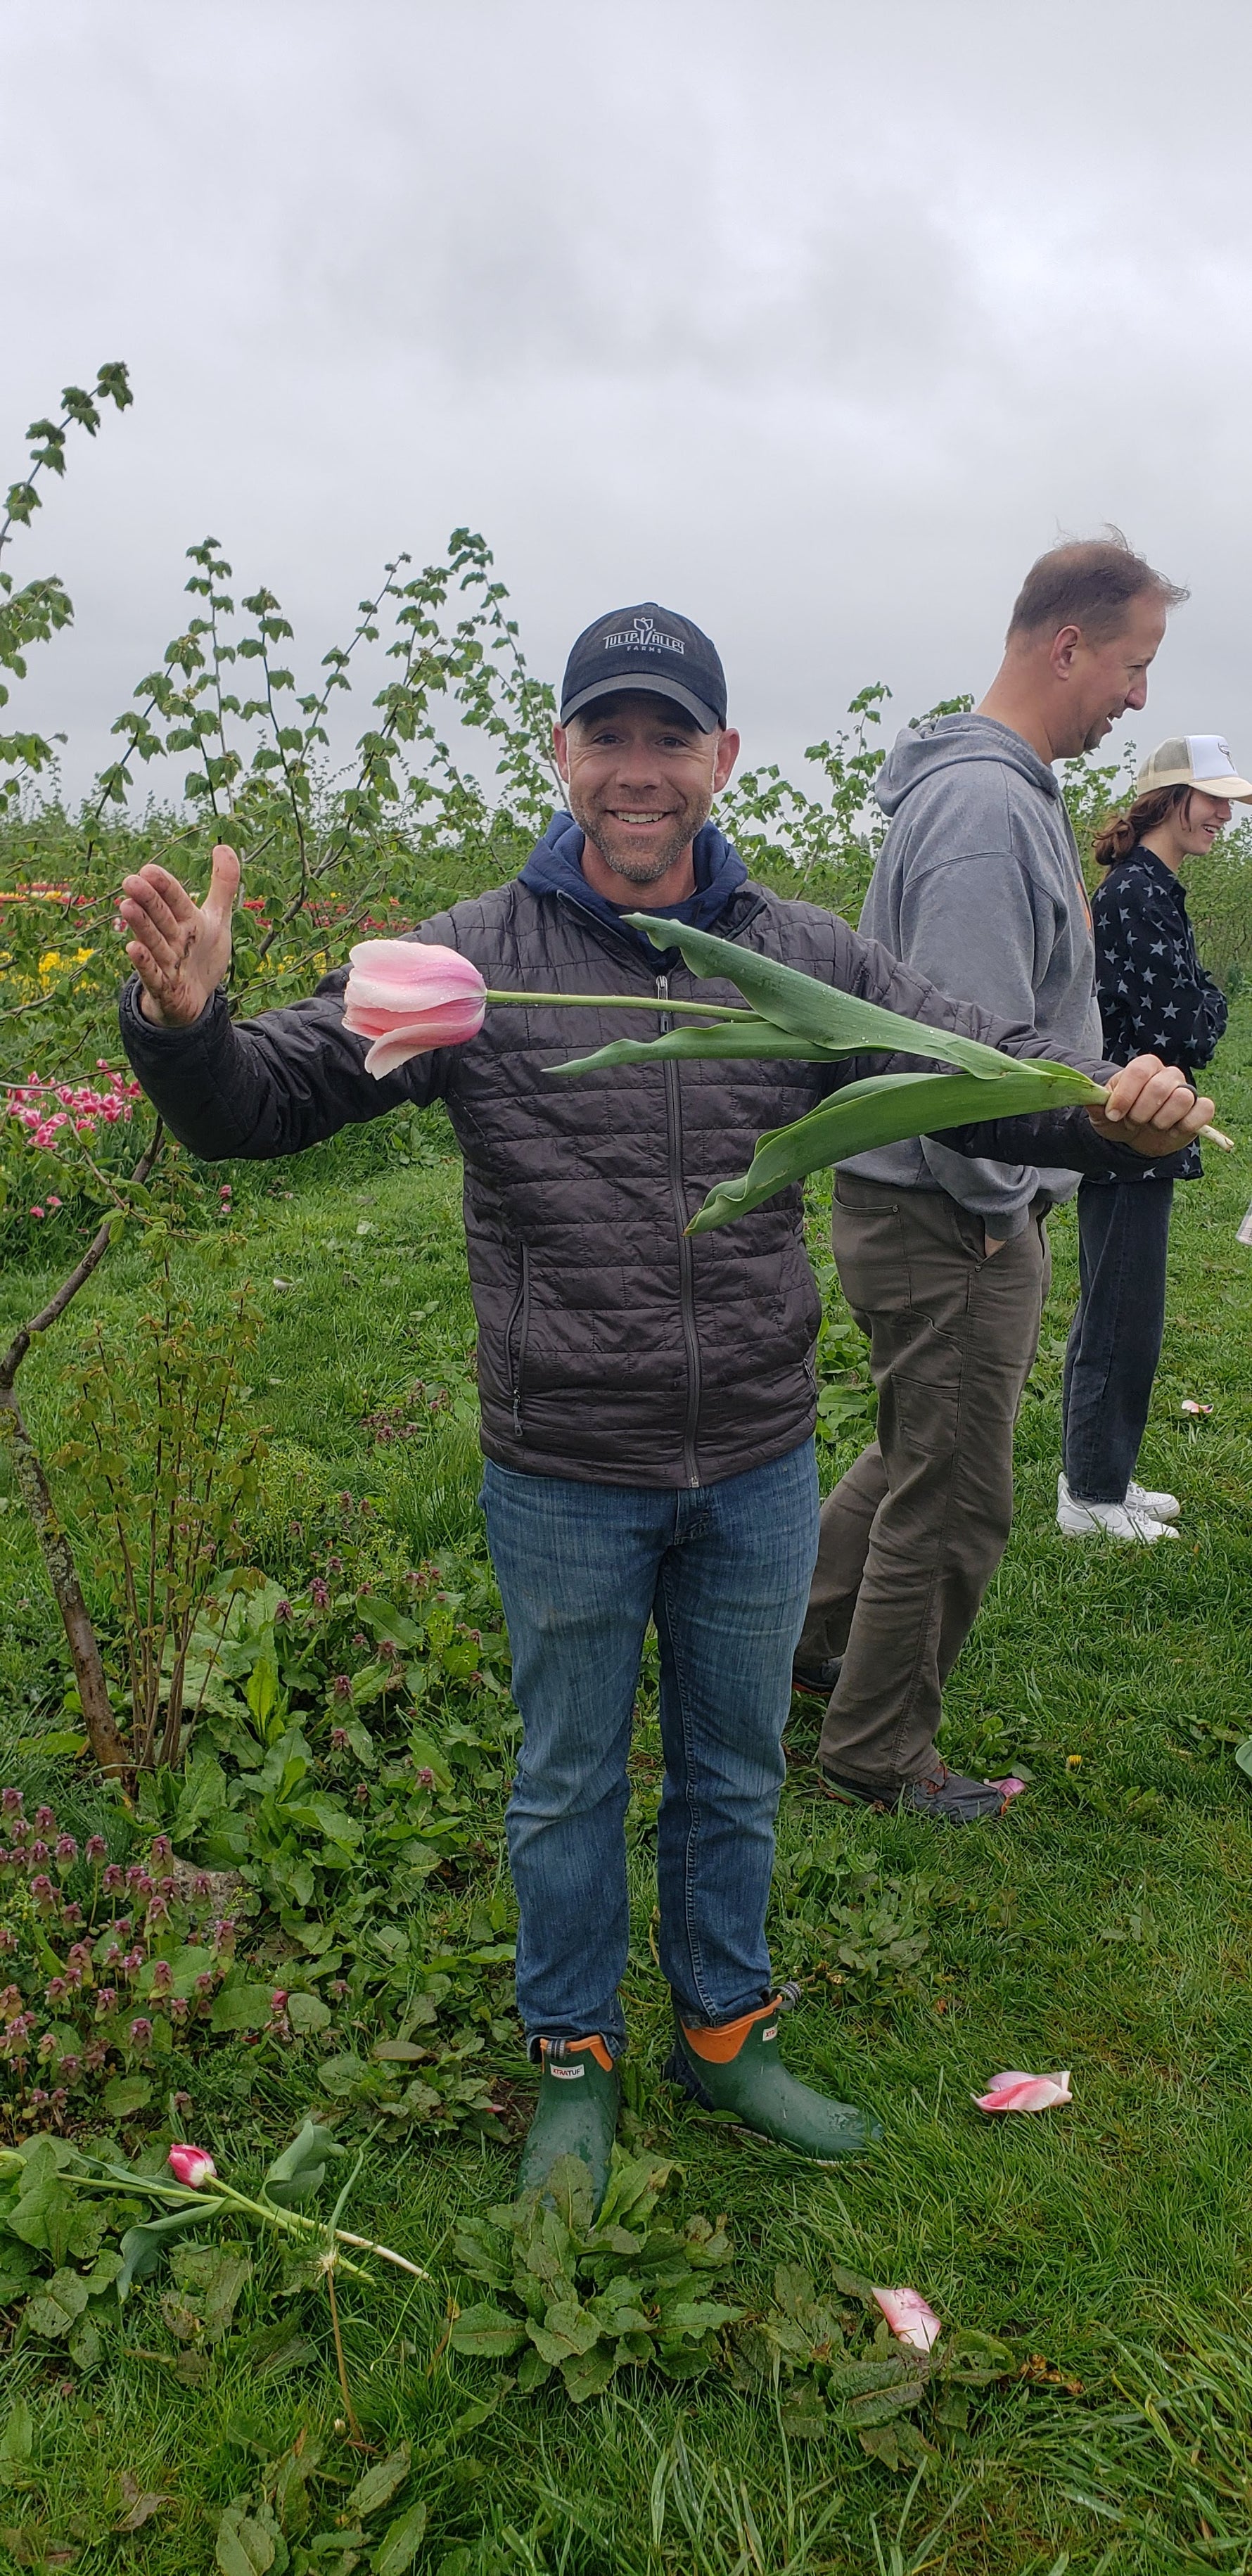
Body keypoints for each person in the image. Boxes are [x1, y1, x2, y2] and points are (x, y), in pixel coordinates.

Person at [115, 601, 1209, 2207]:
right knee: (566, 1778)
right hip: (565, 1462)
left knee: (731, 1767)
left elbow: (966, 1057)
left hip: (758, 1456)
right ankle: (574, 2054)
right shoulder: (467, 965)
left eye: (668, 738)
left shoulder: (796, 954)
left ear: (721, 758)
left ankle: (722, 2025)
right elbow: (260, 1104)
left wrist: (1110, 1115)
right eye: (607, 736)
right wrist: (184, 1026)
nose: (638, 770)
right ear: (562, 755)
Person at [795, 535, 1192, 1825]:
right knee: (957, 1498)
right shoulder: (982, 810)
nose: (1138, 698)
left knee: (912, 1455)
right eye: (1132, 666)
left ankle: (799, 1652)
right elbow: (963, 1066)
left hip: (928, 1199)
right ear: (1065, 646)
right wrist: (1036, 1184)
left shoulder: (993, 792)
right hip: (949, 1209)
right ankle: (876, 1757)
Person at [1056, 736, 1242, 1541]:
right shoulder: (1138, 893)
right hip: (1133, 1128)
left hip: (1144, 1124)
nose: (1225, 815)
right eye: (1212, 798)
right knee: (1122, 1310)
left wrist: (1201, 999)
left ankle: (1104, 1474)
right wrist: (1211, 1000)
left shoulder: (1150, 887)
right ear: (1169, 799)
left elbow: (1185, 1011)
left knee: (1118, 1302)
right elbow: (1184, 1027)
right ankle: (1091, 1495)